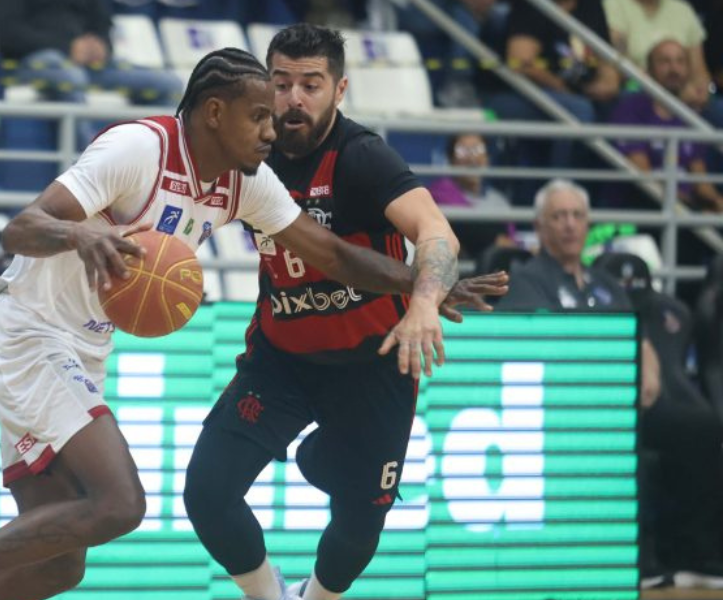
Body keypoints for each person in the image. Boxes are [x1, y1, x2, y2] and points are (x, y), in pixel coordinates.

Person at [0, 46, 506, 600]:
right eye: (258, 115)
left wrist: (429, 281)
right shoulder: (137, 148)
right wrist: (80, 234)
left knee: (60, 567)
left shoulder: (244, 185)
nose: (270, 131)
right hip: (24, 332)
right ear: (214, 114)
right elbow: (21, 228)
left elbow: (334, 256)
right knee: (121, 504)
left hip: (79, 349)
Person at [182, 25, 504, 600]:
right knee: (206, 492)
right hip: (282, 360)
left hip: (373, 362)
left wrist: (424, 302)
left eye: (311, 84)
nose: (293, 100)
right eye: (281, 84)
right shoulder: (248, 149)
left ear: (339, 90)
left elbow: (436, 232)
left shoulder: (361, 156)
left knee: (360, 523)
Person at [499, 179, 723, 590]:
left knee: (706, 430)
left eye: (577, 216)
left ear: (588, 225)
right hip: (569, 414)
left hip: (626, 405)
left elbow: (640, 338)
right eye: (558, 216)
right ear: (541, 226)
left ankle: (695, 552)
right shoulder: (528, 281)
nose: (569, 225)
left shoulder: (606, 285)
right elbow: (536, 351)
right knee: (617, 442)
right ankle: (641, 559)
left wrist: (649, 375)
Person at [0, 0, 183, 143]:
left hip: (86, 67)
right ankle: (89, 168)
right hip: (29, 64)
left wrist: (100, 46)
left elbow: (103, 25)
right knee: (69, 75)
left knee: (168, 84)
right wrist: (66, 47)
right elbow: (8, 35)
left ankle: (156, 166)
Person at [480, 0, 620, 169]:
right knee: (578, 110)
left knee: (624, 104)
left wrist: (609, 83)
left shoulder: (591, 5)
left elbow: (605, 56)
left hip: (577, 90)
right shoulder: (532, 5)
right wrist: (565, 88)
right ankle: (561, 185)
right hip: (516, 93)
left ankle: (611, 190)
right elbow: (521, 63)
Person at [609, 39, 723, 211]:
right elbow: (645, 179)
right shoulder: (631, 108)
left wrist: (716, 202)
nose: (674, 69)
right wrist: (692, 207)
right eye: (664, 62)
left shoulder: (690, 116)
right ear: (649, 70)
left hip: (686, 211)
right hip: (643, 208)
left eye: (680, 62)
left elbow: (701, 182)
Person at [427, 133, 518, 258]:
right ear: (451, 160)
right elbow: (463, 227)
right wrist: (494, 239)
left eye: (477, 149)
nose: (471, 158)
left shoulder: (499, 200)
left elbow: (511, 243)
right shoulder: (439, 192)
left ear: (487, 158)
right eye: (463, 151)